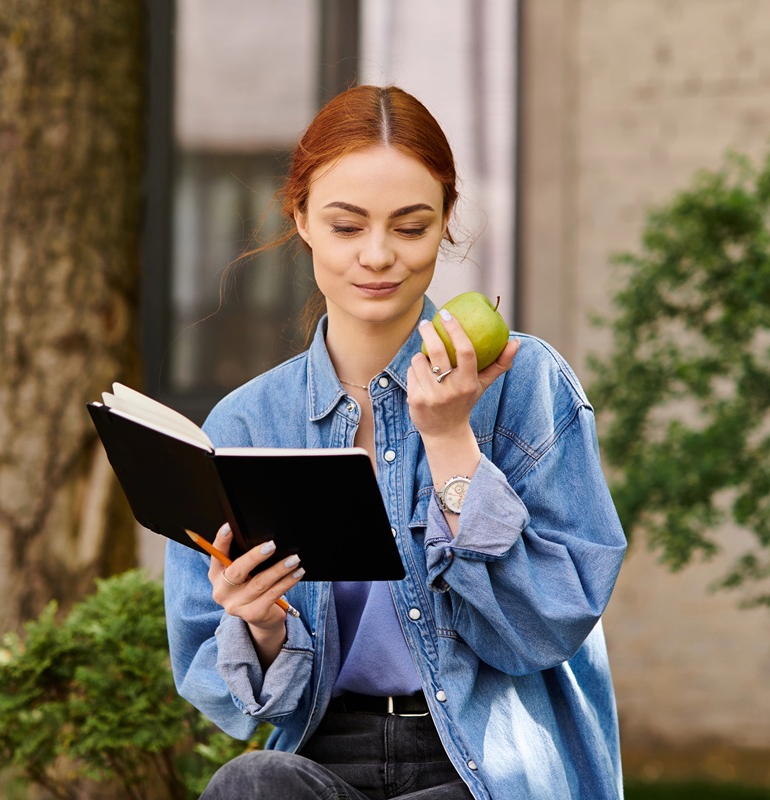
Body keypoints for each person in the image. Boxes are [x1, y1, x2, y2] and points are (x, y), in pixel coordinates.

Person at [164, 84, 629, 800]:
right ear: (302, 218)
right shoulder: (245, 424)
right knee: (251, 784)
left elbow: (541, 631)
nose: (377, 256)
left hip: (484, 759)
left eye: (409, 227)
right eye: (347, 226)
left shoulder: (527, 384)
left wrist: (450, 442)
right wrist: (257, 623)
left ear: (445, 222)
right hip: (323, 756)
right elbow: (228, 701)